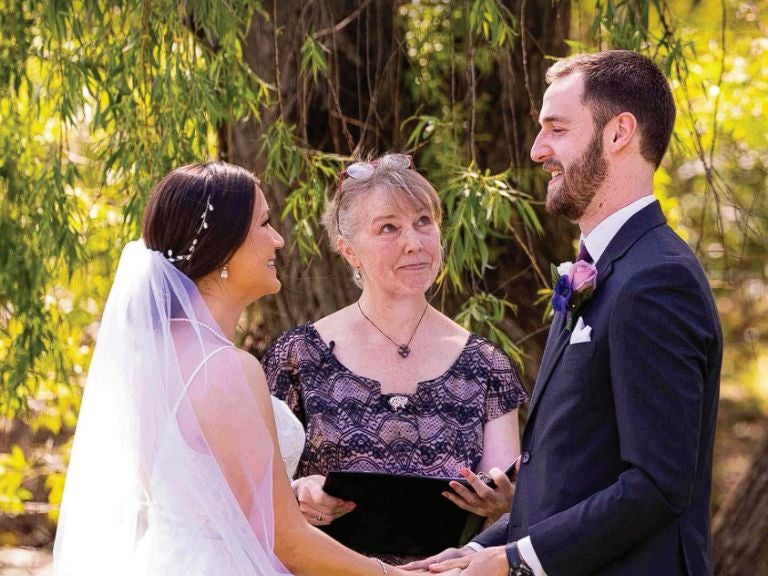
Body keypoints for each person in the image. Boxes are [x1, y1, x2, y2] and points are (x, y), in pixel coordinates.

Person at [52, 161, 460, 576]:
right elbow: (286, 542)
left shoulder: (152, 358)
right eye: (264, 224)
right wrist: (394, 575)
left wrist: (292, 490)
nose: (278, 241)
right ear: (225, 246)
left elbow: (196, 489)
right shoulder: (225, 367)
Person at [404, 50, 722, 576]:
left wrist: (516, 564)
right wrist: (483, 551)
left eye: (556, 128)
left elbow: (658, 484)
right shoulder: (604, 269)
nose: (536, 150)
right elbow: (578, 476)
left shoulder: (656, 280)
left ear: (619, 133)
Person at [263, 153, 528, 562]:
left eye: (424, 222)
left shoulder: (486, 365)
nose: (414, 243)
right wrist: (298, 492)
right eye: (389, 227)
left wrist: (504, 503)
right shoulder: (296, 357)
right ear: (348, 250)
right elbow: (254, 492)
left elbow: (505, 507)